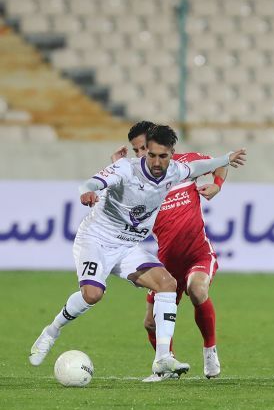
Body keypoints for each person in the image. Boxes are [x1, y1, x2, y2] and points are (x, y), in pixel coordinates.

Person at [29, 124, 247, 378]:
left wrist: (226, 159)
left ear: (170, 154)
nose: (153, 160)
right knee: (92, 295)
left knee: (166, 284)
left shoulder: (174, 171)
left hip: (128, 246)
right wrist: (88, 190)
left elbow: (200, 166)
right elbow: (94, 181)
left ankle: (163, 359)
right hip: (97, 240)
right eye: (146, 153)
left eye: (160, 155)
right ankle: (51, 332)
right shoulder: (125, 168)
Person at [111, 121, 227, 381]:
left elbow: (221, 163)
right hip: (166, 262)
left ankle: (210, 350)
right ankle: (167, 364)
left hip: (197, 254)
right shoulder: (136, 180)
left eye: (144, 148)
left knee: (197, 290)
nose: (141, 154)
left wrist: (217, 184)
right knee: (150, 323)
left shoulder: (186, 165)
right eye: (136, 150)